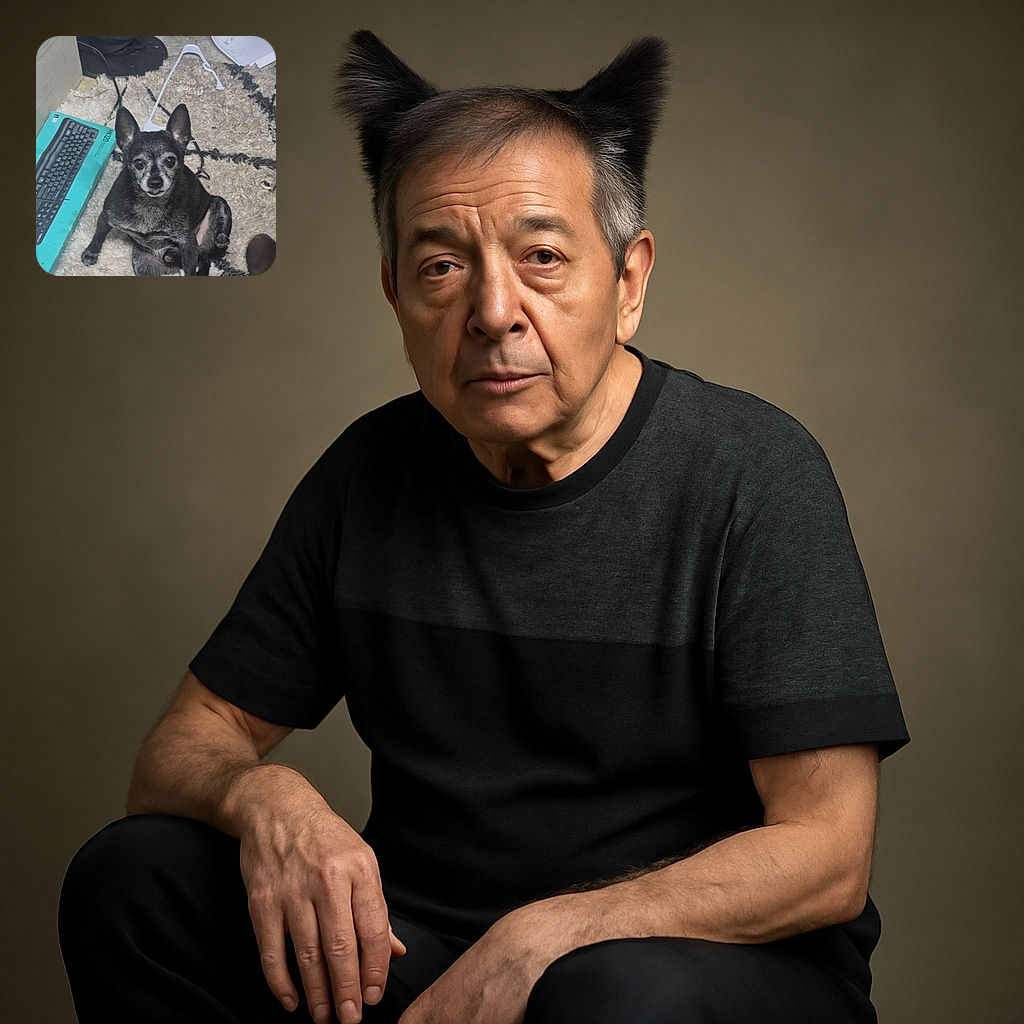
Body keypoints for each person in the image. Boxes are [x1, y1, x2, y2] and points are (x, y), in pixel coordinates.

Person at [59, 30, 909, 1024]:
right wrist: (268, 801)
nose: (492, 310)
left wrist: (547, 934)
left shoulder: (753, 474)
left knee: (605, 993)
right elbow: (175, 756)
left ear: (628, 281)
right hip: (426, 953)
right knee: (132, 877)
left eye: (542, 257)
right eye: (441, 268)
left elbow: (826, 857)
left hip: (685, 968)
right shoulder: (367, 474)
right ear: (396, 294)